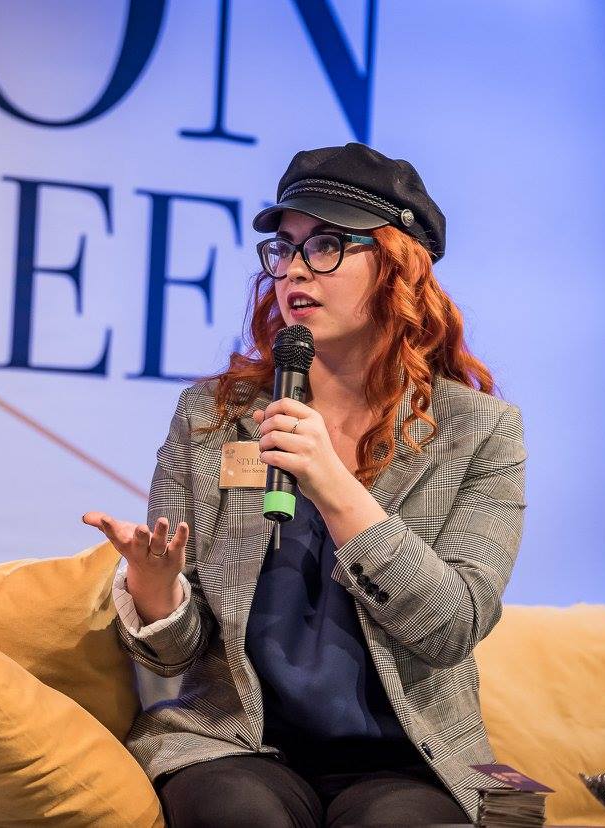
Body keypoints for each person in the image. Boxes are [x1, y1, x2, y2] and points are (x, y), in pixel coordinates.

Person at [83, 143, 527, 827]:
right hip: (234, 744)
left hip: (409, 758)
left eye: (325, 245)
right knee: (240, 816)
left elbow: (451, 629)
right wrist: (156, 590)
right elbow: (176, 654)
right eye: (285, 247)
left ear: (399, 267)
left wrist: (334, 486)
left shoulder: (481, 430)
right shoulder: (213, 417)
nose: (294, 268)